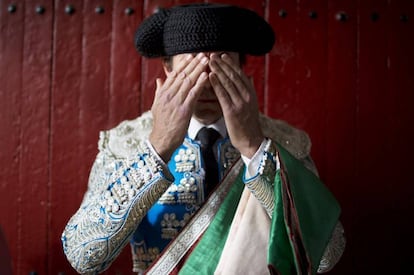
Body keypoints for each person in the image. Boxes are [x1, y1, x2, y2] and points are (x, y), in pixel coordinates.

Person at [62, 3, 345, 274]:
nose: (206, 83)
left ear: (241, 69)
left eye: (220, 68)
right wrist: (157, 148)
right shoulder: (125, 144)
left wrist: (255, 148)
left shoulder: (286, 142)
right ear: (167, 68)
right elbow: (83, 256)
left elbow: (326, 255)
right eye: (192, 71)